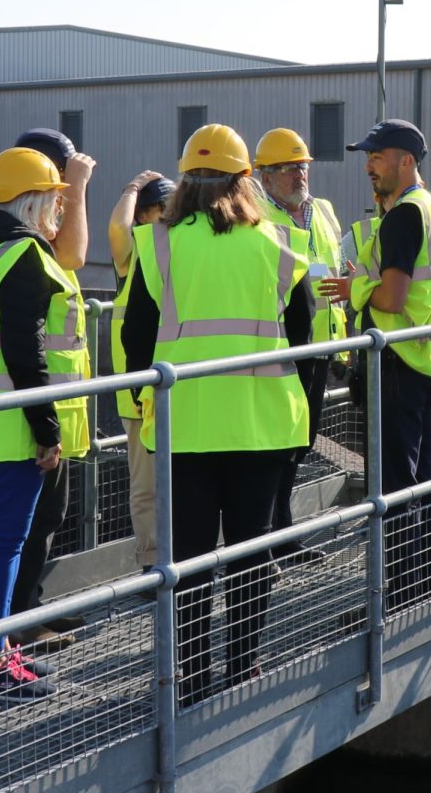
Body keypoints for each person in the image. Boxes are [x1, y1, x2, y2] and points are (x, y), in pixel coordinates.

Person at [121, 124, 313, 705]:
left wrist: (145, 399)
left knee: (191, 558)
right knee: (251, 548)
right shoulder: (274, 243)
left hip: (185, 427)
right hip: (261, 424)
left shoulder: (157, 245)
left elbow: (135, 337)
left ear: (185, 183)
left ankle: (191, 675)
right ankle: (244, 666)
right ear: (245, 181)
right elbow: (304, 335)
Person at [0, 147, 91, 703]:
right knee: (3, 544)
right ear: (33, 203)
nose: (59, 209)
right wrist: (47, 431)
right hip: (13, 425)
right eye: (56, 200)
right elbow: (24, 354)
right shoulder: (24, 257)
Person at [319, 119, 431, 610]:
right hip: (426, 362)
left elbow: (394, 295)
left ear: (406, 161)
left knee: (396, 485)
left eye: (377, 157)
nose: (368, 165)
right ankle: (426, 586)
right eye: (368, 157)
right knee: (422, 480)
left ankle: (397, 598)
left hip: (401, 362)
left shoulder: (404, 214)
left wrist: (353, 289)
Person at [5, 128, 95, 648]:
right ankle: (18, 622)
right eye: (58, 187)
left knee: (47, 515)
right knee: (31, 519)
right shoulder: (26, 244)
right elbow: (75, 256)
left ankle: (27, 609)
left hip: (50, 401)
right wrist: (79, 187)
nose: (63, 199)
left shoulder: (28, 235)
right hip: (36, 406)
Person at [252, 128, 344, 565]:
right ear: (264, 177)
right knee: (277, 445)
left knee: (301, 443)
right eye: (288, 168)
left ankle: (282, 535)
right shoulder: (256, 216)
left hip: (320, 347)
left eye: (302, 166)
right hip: (281, 346)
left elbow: (336, 269)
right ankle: (271, 538)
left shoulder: (322, 211)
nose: (298, 175)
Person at [107, 168, 176, 572]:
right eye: (157, 209)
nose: (164, 215)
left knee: (179, 479)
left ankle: (179, 554)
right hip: (138, 388)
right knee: (147, 483)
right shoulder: (131, 253)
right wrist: (130, 187)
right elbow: (117, 227)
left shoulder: (179, 247)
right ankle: (152, 560)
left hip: (172, 382)